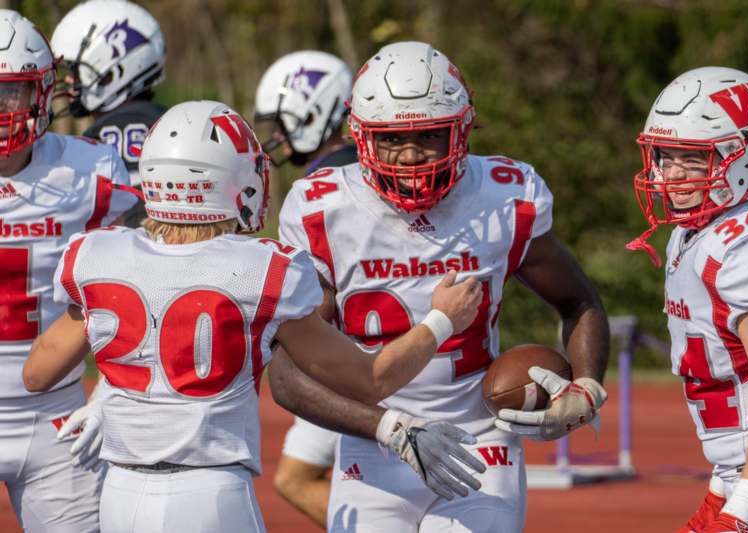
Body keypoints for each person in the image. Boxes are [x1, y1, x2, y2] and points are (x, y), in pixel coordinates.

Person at [22, 99, 488, 533]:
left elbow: (38, 374)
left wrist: (114, 389)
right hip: (211, 493)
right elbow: (371, 380)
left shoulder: (98, 253)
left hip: (120, 492)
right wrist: (441, 321)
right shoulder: (262, 269)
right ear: (233, 182)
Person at [279, 41, 610, 532]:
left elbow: (578, 301)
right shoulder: (323, 209)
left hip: (479, 443)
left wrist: (584, 386)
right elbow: (287, 372)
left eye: (430, 135)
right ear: (361, 137)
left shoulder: (504, 196)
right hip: (374, 448)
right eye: (392, 139)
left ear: (462, 129)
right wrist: (389, 429)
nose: (411, 156)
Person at [627, 66, 748, 532]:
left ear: (745, 156)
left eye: (694, 159)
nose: (672, 174)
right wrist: (720, 492)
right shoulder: (692, 234)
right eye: (664, 156)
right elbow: (737, 393)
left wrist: (737, 515)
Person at [0, 10, 137, 532]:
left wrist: (107, 394)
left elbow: (129, 294)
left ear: (43, 91)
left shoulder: (90, 172)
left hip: (54, 415)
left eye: (9, 90)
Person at [255, 49, 355, 528]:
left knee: (296, 478)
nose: (274, 137)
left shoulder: (324, 184)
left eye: (280, 122)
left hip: (356, 357)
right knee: (295, 477)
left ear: (312, 111)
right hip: (372, 350)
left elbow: (319, 296)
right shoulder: (350, 173)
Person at [51, 0, 168, 227]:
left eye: (76, 71)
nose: (68, 81)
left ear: (113, 71)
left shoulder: (97, 139)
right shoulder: (174, 123)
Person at [254, 50, 356, 172]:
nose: (276, 135)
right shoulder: (364, 169)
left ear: (310, 119)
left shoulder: (319, 186)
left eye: (282, 125)